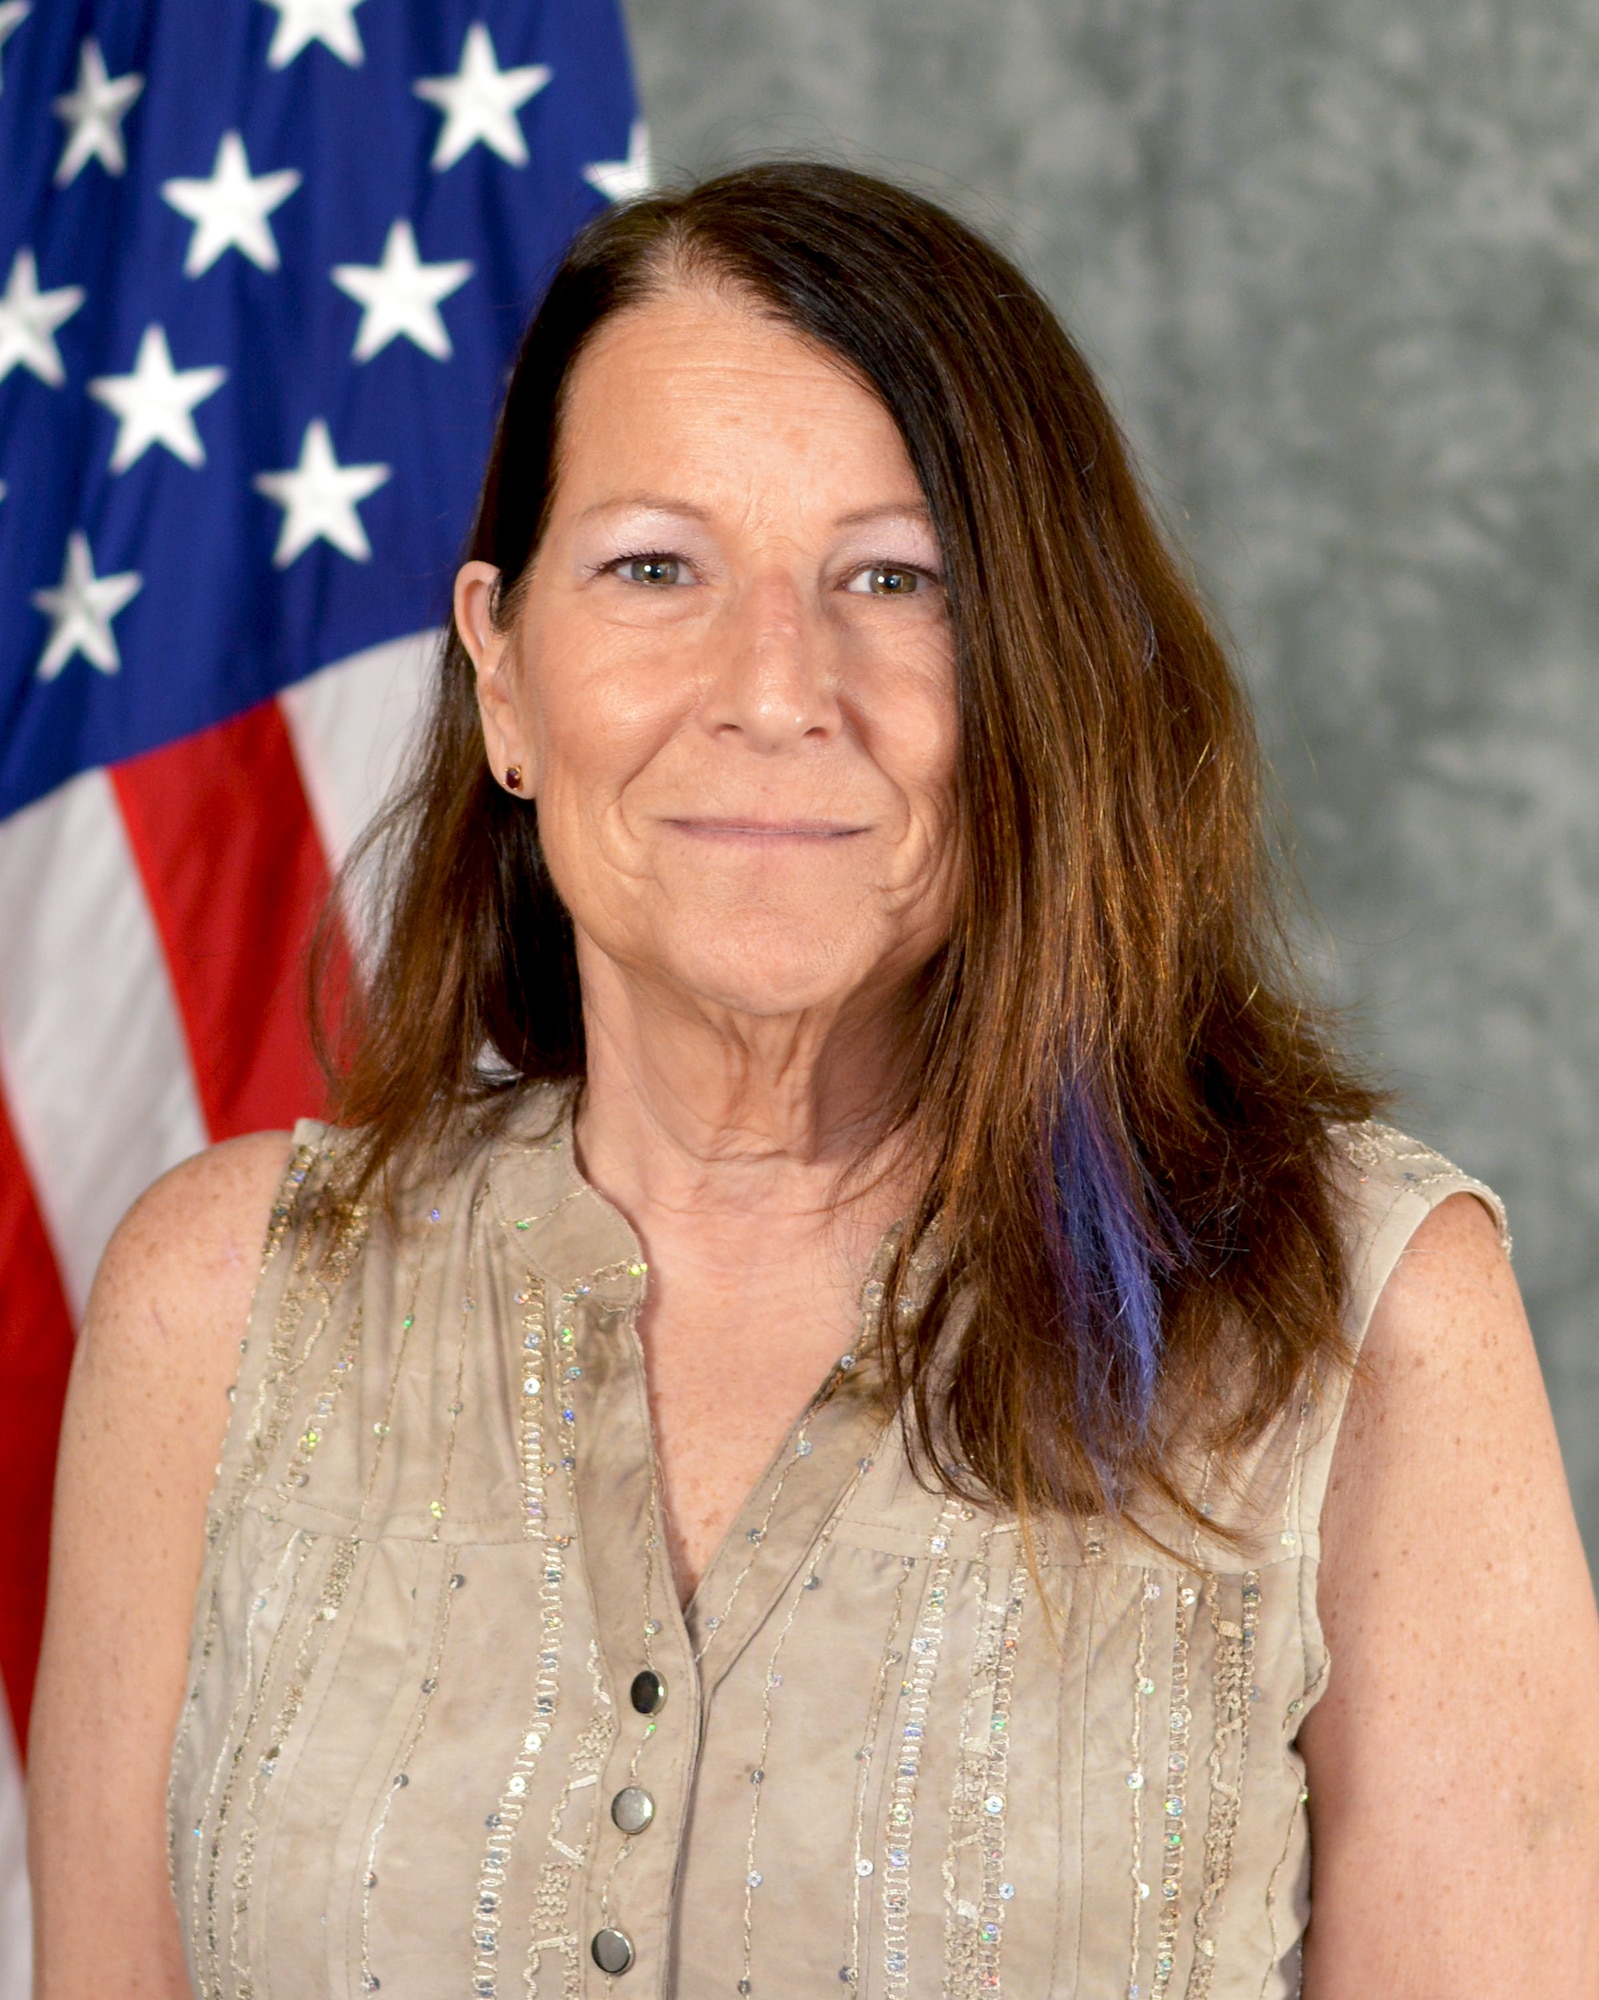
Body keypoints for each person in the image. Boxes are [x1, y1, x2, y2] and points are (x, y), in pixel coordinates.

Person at [28, 163, 1599, 1999]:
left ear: (1036, 682)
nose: (775, 685)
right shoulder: (216, 1311)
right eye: (651, 568)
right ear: (505, 676)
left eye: (894, 576)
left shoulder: (1367, 1321)